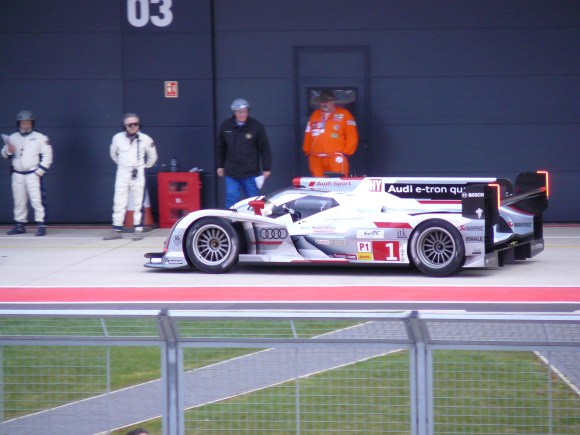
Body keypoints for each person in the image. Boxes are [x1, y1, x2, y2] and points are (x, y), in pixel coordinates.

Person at [104, 113, 158, 241]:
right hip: (122, 173)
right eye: (130, 125)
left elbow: (153, 156)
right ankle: (116, 230)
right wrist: (122, 164)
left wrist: (144, 167)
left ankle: (138, 230)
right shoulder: (117, 138)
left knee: (139, 202)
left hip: (138, 173)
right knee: (119, 201)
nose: (133, 127)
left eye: (136, 124)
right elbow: (113, 154)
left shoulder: (145, 139)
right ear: (124, 126)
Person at [1, 110, 53, 236]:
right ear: (19, 124)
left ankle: (41, 225)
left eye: (28, 123)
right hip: (18, 174)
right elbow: (4, 154)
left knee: (37, 200)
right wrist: (8, 150)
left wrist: (39, 171)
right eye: (23, 123)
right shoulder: (13, 137)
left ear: (32, 124)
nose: (25, 125)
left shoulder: (40, 137)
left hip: (33, 173)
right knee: (19, 200)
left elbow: (48, 155)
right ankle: (20, 225)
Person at [216, 98, 272, 208]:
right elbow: (220, 148)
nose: (243, 114)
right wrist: (219, 165)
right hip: (232, 172)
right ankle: (230, 218)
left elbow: (264, 148)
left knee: (253, 200)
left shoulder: (256, 126)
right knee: (231, 197)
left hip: (250, 172)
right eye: (240, 112)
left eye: (245, 111)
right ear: (234, 112)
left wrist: (267, 168)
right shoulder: (226, 126)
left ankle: (255, 218)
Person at [302, 89, 359, 177]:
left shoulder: (345, 114)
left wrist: (346, 153)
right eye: (322, 102)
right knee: (318, 184)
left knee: (338, 182)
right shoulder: (315, 115)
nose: (324, 104)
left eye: (326, 102)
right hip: (316, 158)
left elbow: (352, 136)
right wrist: (307, 151)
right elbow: (308, 133)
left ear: (333, 102)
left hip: (335, 157)